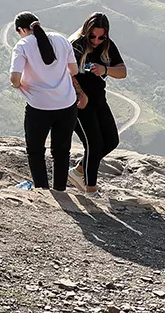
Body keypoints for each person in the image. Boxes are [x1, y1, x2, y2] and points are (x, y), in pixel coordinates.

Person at [10, 12, 87, 191]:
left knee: (35, 150)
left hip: (39, 106)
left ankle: (42, 190)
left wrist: (22, 85)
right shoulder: (61, 39)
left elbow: (14, 79)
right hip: (66, 104)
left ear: (20, 30)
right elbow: (74, 70)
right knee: (61, 151)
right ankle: (60, 190)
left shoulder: (22, 45)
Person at [68, 13, 128, 194]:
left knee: (111, 140)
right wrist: (80, 94)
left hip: (99, 99)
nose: (96, 40)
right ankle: (91, 190)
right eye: (92, 36)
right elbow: (65, 73)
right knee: (94, 144)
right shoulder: (76, 45)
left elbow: (122, 71)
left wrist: (105, 69)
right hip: (79, 102)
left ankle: (78, 171)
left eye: (101, 37)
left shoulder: (107, 45)